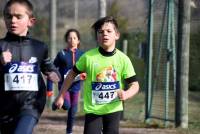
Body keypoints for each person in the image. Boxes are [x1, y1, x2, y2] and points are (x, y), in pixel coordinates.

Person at [54, 16, 140, 134]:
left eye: (109, 31)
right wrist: (61, 95)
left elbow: (135, 85)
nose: (105, 34)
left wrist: (126, 94)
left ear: (117, 35)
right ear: (97, 37)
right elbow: (71, 75)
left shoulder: (123, 59)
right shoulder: (88, 57)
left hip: (113, 109)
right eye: (101, 32)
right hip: (93, 110)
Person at [0, 0, 60, 134]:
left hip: (32, 104)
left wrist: (54, 73)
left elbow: (48, 66)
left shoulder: (39, 47)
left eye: (18, 16)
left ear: (31, 21)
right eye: (9, 16)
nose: (13, 20)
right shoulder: (1, 46)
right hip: (4, 108)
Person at [47, 28, 85, 134]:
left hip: (76, 87)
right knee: (67, 106)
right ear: (66, 40)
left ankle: (69, 131)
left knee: (73, 111)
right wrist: (49, 88)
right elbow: (52, 70)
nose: (72, 40)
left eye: (74, 38)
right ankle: (56, 102)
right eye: (69, 38)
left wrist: (85, 74)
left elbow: (87, 70)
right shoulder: (61, 54)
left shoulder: (83, 55)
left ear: (78, 40)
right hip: (64, 86)